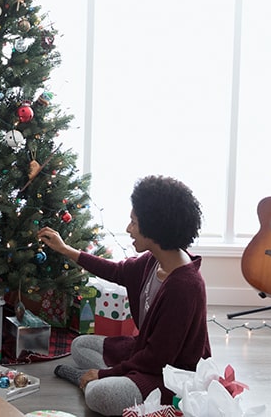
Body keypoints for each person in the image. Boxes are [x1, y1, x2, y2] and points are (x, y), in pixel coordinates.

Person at [38, 175, 211, 416]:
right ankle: (98, 379)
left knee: (101, 395)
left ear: (154, 226)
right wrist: (66, 250)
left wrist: (104, 373)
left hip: (173, 375)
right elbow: (116, 270)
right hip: (145, 355)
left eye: (134, 222)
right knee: (80, 345)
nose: (128, 229)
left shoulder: (184, 286)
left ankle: (94, 381)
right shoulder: (153, 261)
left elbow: (158, 360)